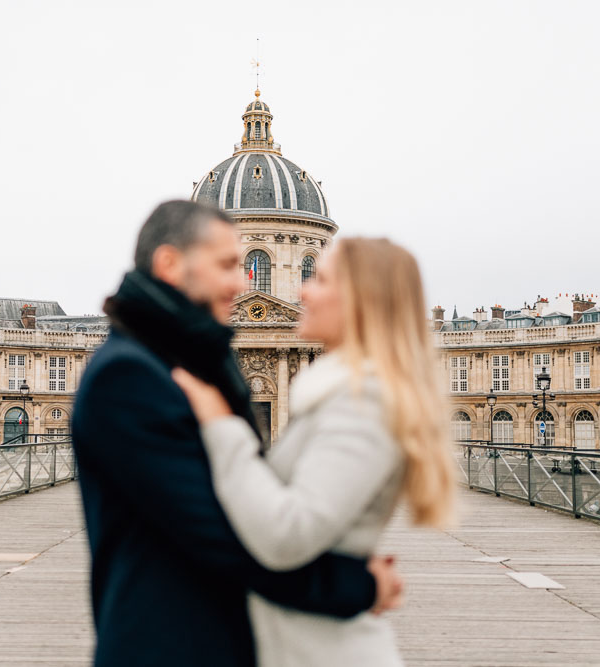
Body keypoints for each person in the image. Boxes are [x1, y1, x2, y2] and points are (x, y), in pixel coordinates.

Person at [72, 201, 403, 667]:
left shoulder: (194, 359)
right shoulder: (130, 374)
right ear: (170, 263)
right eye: (231, 264)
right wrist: (356, 584)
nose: (243, 281)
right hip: (168, 644)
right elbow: (222, 537)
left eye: (253, 264)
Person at [172, 237, 455, 667]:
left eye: (316, 276)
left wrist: (220, 425)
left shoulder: (367, 400)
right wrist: (357, 582)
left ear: (363, 301)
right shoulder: (340, 392)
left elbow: (288, 532)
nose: (301, 290)